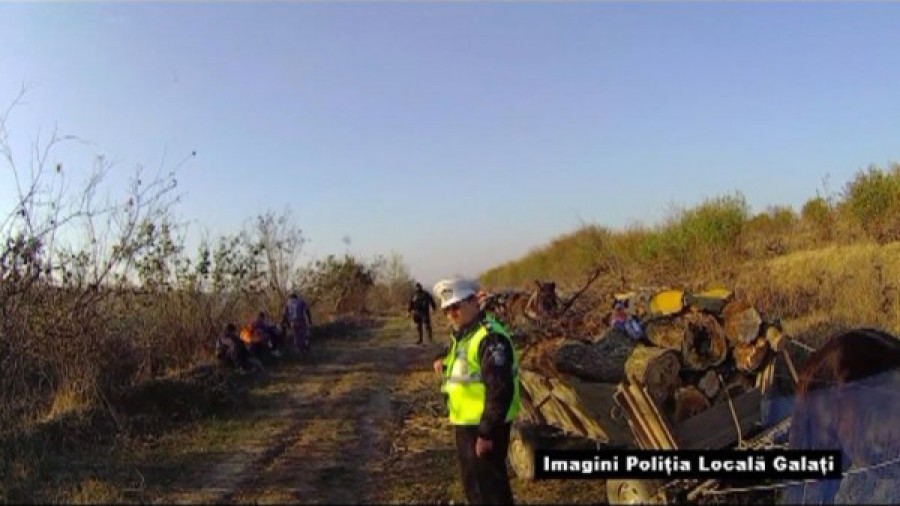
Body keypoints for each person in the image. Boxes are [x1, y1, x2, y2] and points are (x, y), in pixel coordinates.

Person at [431, 277, 521, 505]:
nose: (451, 314)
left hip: (483, 426)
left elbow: (499, 389)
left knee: (490, 491)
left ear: (473, 302)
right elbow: (463, 363)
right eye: (446, 310)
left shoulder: (489, 337)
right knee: (475, 486)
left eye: (455, 307)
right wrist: (443, 361)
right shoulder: (465, 334)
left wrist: (486, 433)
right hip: (466, 424)